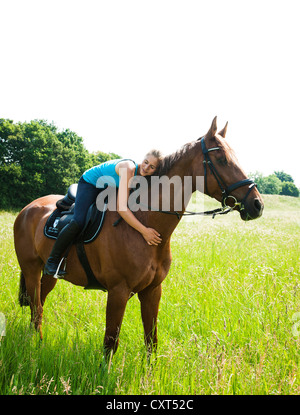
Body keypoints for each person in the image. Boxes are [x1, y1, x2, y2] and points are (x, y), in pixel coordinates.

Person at [44, 150, 163, 277]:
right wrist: (144, 231)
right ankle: (52, 261)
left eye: (152, 167)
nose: (146, 168)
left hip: (108, 186)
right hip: (91, 183)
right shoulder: (129, 169)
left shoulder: (144, 176)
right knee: (79, 221)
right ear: (142, 158)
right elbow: (121, 208)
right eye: (145, 162)